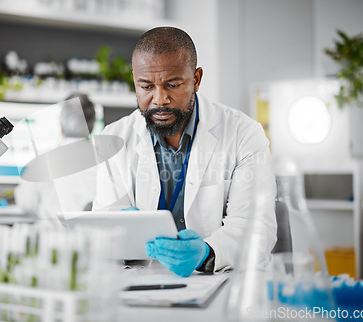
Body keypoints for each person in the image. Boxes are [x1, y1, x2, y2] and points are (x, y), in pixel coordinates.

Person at [93, 27, 277, 277]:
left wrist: (206, 254)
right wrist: (119, 234)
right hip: (140, 284)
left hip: (217, 281)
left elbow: (256, 228)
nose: (159, 99)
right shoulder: (112, 140)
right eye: (146, 86)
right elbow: (102, 230)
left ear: (197, 79)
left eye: (173, 84)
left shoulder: (243, 134)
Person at [14, 93, 97, 216]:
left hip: (53, 234)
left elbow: (26, 203)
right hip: (95, 234)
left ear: (61, 124)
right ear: (92, 125)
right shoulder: (107, 161)